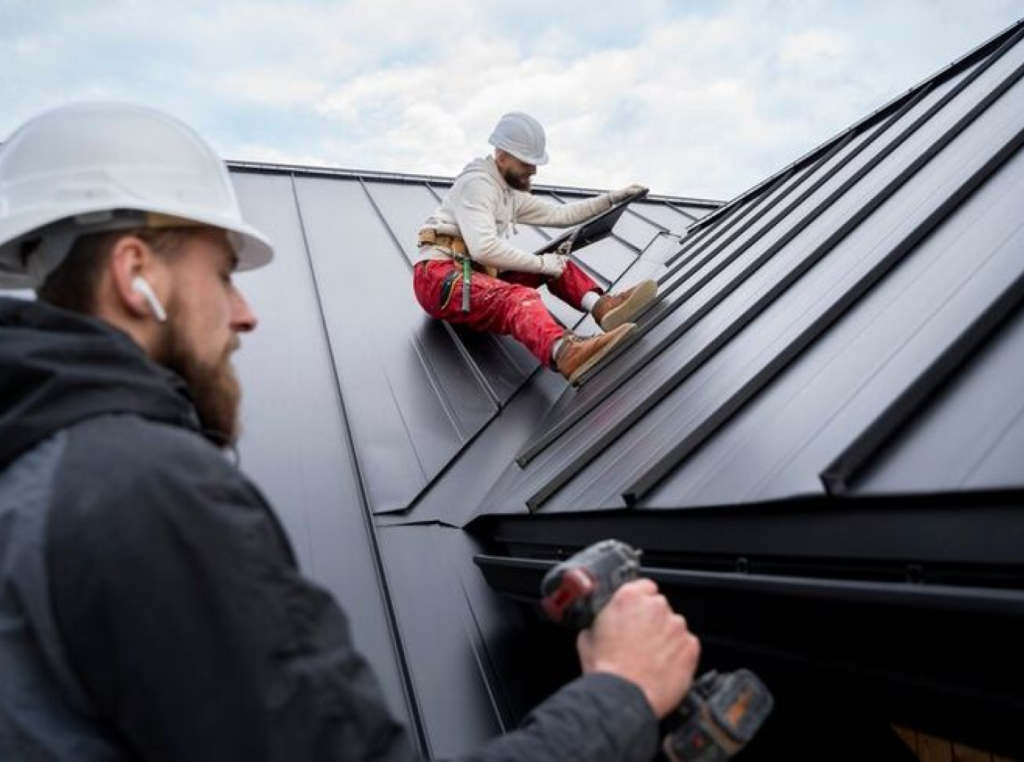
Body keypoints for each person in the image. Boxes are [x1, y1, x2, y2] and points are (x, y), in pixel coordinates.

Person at [0, 103, 700, 761]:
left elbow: (552, 212)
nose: (246, 314)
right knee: (520, 293)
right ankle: (568, 349)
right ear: (134, 273)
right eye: (221, 273)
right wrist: (620, 696)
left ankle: (595, 312)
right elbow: (491, 247)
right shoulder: (142, 490)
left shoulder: (37, 485)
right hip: (449, 274)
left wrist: (609, 202)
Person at [414, 112, 658, 384]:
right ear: (502, 154)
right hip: (438, 278)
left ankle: (602, 307)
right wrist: (542, 265)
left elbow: (559, 215)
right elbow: (483, 248)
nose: (534, 170)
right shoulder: (477, 185)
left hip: (473, 277)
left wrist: (611, 199)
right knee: (517, 298)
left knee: (556, 264)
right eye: (527, 162)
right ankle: (566, 353)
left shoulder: (506, 193)